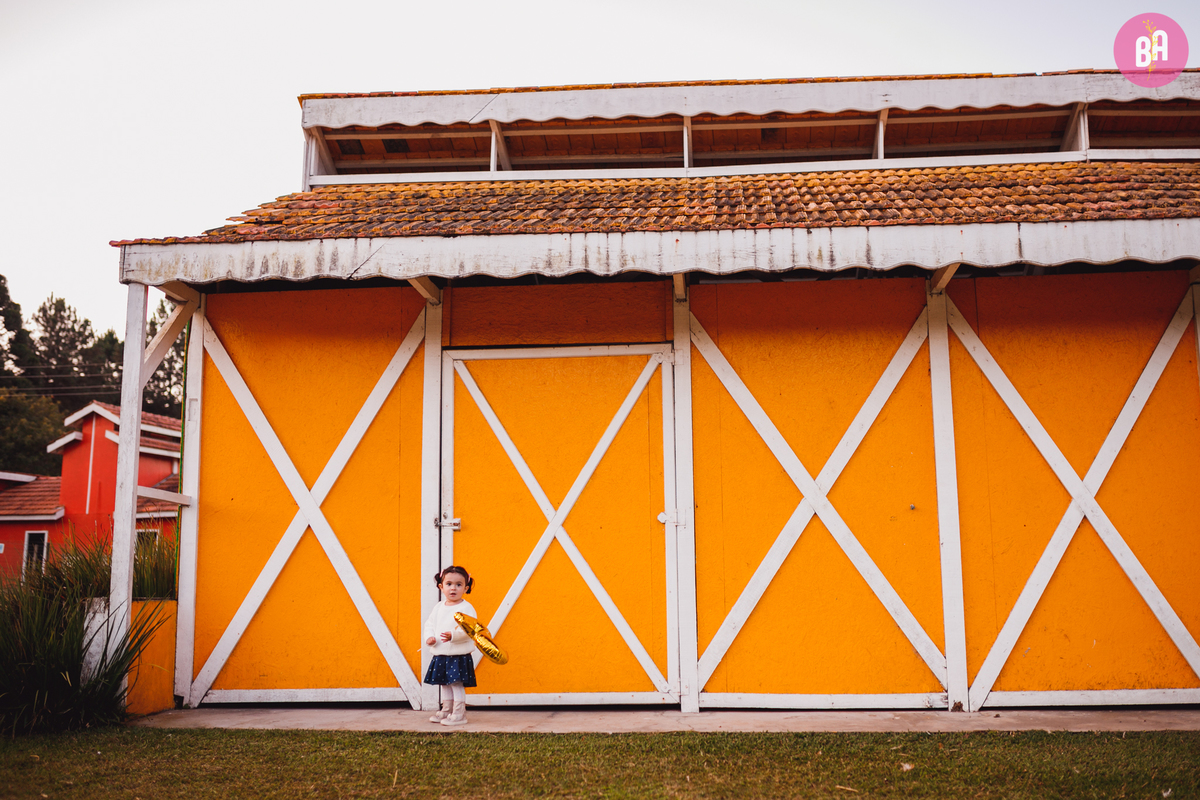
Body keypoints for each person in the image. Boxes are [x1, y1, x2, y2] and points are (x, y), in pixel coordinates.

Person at [423, 565, 477, 726]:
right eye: (449, 584)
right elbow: (429, 624)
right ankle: (446, 709)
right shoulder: (439, 607)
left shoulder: (466, 608)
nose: (453, 588)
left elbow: (471, 629)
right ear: (441, 586)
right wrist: (429, 637)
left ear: (466, 588)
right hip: (441, 652)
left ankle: (459, 713)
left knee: (456, 683)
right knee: (444, 682)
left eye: (459, 585)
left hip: (457, 653)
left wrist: (454, 636)